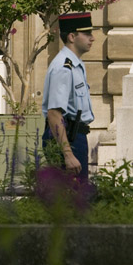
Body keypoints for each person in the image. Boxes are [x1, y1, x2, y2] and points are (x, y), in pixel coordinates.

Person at [42, 11, 96, 181]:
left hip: (75, 136)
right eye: (87, 34)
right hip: (68, 139)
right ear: (72, 37)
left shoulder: (74, 64)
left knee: (76, 198)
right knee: (73, 199)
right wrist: (68, 154)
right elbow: (54, 114)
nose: (92, 38)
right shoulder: (63, 67)